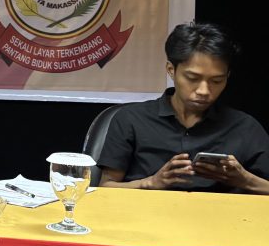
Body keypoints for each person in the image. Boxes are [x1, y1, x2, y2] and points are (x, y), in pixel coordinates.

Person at [98, 21, 269, 194]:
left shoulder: (245, 127)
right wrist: (150, 183)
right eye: (192, 78)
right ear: (171, 70)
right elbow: (105, 187)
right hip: (148, 210)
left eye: (216, 81)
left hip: (221, 211)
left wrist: (246, 181)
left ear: (227, 76)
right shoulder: (131, 119)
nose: (204, 91)